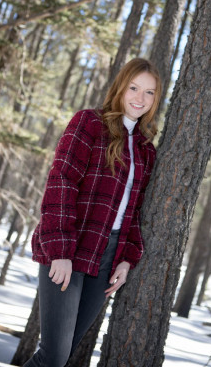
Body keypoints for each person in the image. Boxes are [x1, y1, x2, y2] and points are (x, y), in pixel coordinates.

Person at [24, 58, 162, 367]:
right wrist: (59, 249)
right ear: (120, 88)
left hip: (107, 257)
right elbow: (61, 181)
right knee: (54, 356)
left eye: (149, 93)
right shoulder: (89, 123)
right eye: (134, 88)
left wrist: (126, 258)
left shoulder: (146, 151)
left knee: (63, 353)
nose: (140, 99)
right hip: (71, 247)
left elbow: (135, 211)